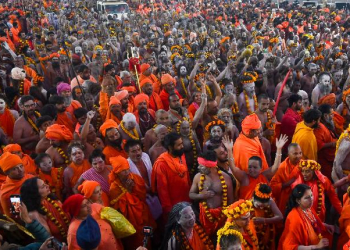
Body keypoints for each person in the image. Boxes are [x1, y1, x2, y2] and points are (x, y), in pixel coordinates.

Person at [109, 155, 155, 249]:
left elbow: (142, 196)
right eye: (123, 171)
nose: (127, 173)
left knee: (147, 237)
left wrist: (133, 189)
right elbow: (117, 209)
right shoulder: (114, 187)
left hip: (142, 215)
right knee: (135, 241)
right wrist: (127, 191)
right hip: (129, 221)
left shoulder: (135, 178)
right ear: (117, 173)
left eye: (127, 169)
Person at [189, 151, 234, 237]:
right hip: (204, 216)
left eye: (201, 166)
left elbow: (231, 201)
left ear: (209, 166)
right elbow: (191, 194)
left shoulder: (226, 178)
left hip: (222, 216)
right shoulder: (198, 177)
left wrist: (228, 219)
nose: (198, 167)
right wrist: (201, 196)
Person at [278, 184, 333, 250]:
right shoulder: (295, 218)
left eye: (311, 195)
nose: (311, 199)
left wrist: (325, 225)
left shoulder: (307, 208)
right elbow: (289, 246)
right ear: (298, 201)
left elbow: (312, 222)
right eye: (307, 198)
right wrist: (316, 247)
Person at [152, 132, 191, 221]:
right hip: (174, 206)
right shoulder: (161, 164)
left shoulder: (181, 154)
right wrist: (169, 209)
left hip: (186, 199)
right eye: (179, 145)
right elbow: (162, 190)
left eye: (182, 144)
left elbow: (186, 175)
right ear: (170, 147)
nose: (182, 147)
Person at [20, 177, 70, 242]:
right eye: (43, 186)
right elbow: (47, 239)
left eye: (45, 184)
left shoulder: (51, 199)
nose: (47, 186)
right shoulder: (34, 214)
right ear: (34, 193)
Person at [270, 143, 303, 215]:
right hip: (285, 200)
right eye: (295, 154)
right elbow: (273, 186)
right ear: (288, 154)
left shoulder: (304, 165)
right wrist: (287, 184)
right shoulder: (281, 167)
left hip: (301, 199)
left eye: (300, 153)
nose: (298, 156)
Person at [0, 152, 33, 217]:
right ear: (7, 173)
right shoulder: (8, 193)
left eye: (21, 166)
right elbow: (17, 215)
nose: (20, 170)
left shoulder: (31, 178)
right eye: (14, 169)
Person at [251, 183, 283, 250]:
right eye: (259, 206)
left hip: (268, 233)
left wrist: (264, 220)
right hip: (253, 234)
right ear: (253, 198)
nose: (261, 208)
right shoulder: (247, 204)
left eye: (264, 206)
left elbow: (280, 217)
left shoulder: (270, 202)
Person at [314, 104, 337, 179]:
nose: (333, 116)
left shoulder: (326, 124)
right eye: (331, 114)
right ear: (325, 116)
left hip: (331, 158)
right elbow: (318, 145)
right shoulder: (319, 127)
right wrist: (332, 144)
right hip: (324, 161)